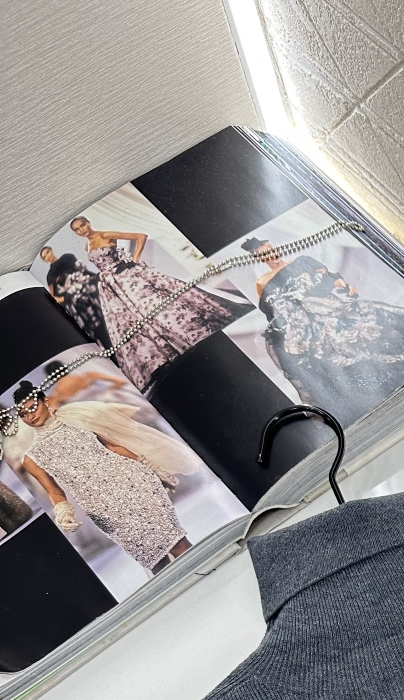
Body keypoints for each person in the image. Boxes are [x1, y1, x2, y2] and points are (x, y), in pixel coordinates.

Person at [240, 239, 404, 425]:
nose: (272, 255)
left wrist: (345, 287)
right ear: (259, 258)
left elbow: (331, 277)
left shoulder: (302, 261)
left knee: (373, 327)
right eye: (265, 254)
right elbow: (273, 312)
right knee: (326, 357)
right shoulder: (263, 282)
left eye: (271, 250)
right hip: (305, 324)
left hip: (332, 307)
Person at [12, 382, 190, 574]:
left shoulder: (76, 419)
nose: (30, 416)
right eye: (23, 414)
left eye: (33, 407)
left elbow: (113, 447)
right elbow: (54, 491)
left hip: (133, 483)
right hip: (103, 509)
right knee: (154, 560)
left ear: (45, 401)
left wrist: (151, 466)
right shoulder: (32, 458)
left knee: (177, 544)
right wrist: (63, 511)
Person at [69, 217, 246, 391]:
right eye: (77, 229)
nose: (82, 230)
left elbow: (141, 236)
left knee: (152, 306)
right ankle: (165, 353)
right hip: (110, 286)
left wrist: (133, 261)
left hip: (126, 278)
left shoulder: (105, 235)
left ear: (88, 223)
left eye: (82, 225)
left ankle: (187, 336)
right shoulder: (87, 246)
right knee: (132, 318)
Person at [40, 245, 111, 347]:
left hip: (88, 284)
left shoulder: (67, 257)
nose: (47, 256)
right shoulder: (51, 275)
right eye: (44, 256)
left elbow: (81, 269)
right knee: (93, 322)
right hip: (75, 298)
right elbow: (53, 296)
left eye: (47, 252)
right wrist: (67, 298)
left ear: (51, 250)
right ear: (44, 260)